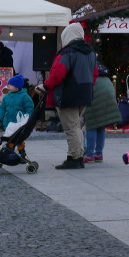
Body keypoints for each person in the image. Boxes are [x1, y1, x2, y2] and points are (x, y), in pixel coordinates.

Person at [39, 23, 97, 169]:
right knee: (76, 126)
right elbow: (94, 74)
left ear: (67, 35)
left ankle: (76, 158)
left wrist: (45, 86)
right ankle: (76, 156)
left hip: (68, 94)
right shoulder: (90, 53)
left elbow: (57, 74)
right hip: (85, 94)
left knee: (71, 128)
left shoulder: (66, 53)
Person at [83, 64, 121, 163]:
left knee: (91, 126)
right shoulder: (106, 78)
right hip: (108, 103)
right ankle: (99, 154)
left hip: (96, 103)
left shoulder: (91, 78)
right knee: (101, 126)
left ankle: (89, 155)